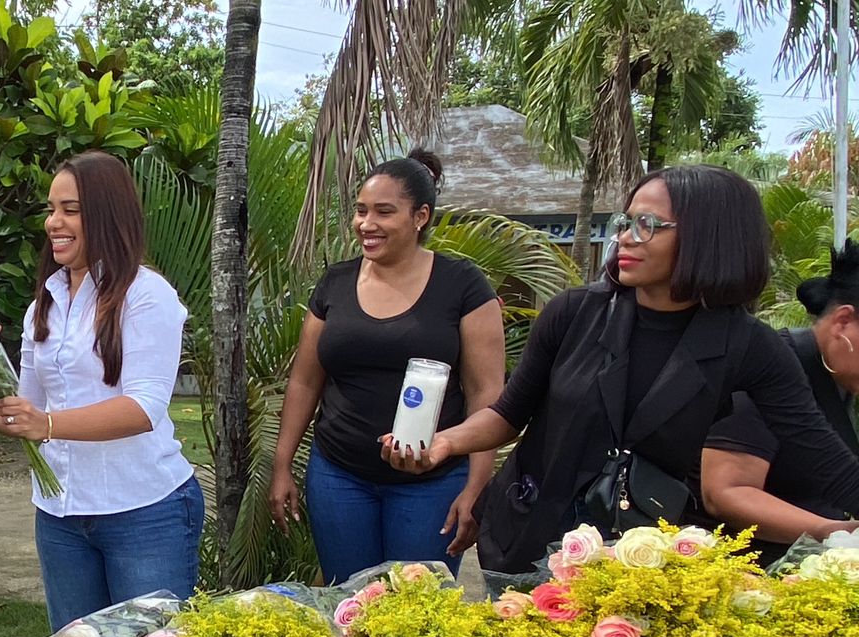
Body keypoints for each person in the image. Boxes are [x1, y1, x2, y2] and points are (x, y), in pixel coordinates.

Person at [383, 164, 859, 577]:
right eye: (627, 222)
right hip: (529, 538)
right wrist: (447, 443)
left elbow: (822, 453)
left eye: (648, 224)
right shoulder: (575, 313)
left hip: (642, 556)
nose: (627, 237)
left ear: (707, 237)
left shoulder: (747, 344)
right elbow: (509, 413)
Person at [0, 151, 202, 631]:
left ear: (106, 214)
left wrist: (46, 425)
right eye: (52, 210)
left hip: (144, 512)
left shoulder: (147, 295)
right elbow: (26, 409)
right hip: (61, 517)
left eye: (71, 210)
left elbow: (143, 407)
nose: (54, 223)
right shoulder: (42, 307)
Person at [268, 149, 505, 583]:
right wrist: (282, 465)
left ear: (420, 216)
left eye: (383, 212)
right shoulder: (335, 282)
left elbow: (486, 393)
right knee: (350, 607)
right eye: (360, 211)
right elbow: (304, 380)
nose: (366, 224)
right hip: (339, 477)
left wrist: (476, 485)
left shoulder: (463, 285)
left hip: (431, 484)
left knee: (417, 617)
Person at [702, 241, 859, 560]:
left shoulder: (839, 375)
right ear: (842, 323)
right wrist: (837, 534)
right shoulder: (771, 367)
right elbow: (724, 492)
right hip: (746, 580)